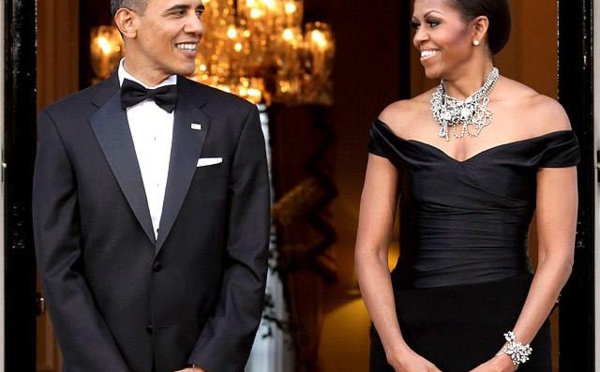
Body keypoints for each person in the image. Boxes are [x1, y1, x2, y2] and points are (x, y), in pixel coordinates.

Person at [32, 0, 271, 371]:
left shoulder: (235, 120)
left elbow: (248, 259)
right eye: (179, 12)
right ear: (128, 21)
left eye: (199, 12)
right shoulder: (64, 124)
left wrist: (208, 364)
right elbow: (59, 268)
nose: (197, 27)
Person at [354, 0, 579, 371]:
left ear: (478, 29)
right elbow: (370, 251)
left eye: (432, 23)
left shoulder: (543, 117)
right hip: (409, 334)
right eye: (415, 25)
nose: (419, 37)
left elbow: (558, 257)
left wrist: (509, 358)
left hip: (511, 330)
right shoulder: (396, 121)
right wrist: (397, 352)